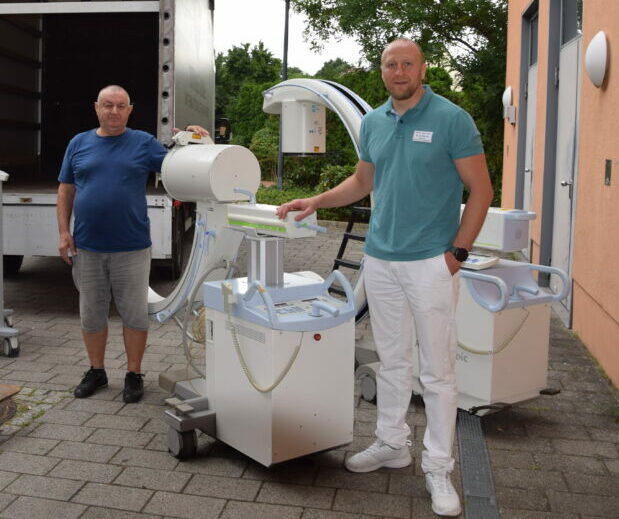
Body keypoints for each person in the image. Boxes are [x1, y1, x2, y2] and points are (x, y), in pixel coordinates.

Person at [277, 39, 493, 517]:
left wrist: (457, 253)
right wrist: (315, 201)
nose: (399, 71)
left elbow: (481, 189)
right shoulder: (373, 121)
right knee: (392, 361)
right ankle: (392, 443)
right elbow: (363, 182)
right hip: (381, 261)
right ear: (382, 71)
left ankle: (439, 467)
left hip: (430, 264)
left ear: (423, 68)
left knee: (437, 372)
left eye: (407, 63)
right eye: (390, 64)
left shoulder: (451, 119)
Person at [57, 85, 209, 404]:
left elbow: (179, 165)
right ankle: (96, 371)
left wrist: (195, 140)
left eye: (121, 106)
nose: (114, 111)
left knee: (135, 315)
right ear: (96, 107)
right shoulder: (78, 143)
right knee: (91, 315)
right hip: (87, 246)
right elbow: (66, 189)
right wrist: (63, 232)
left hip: (132, 246)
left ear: (130, 110)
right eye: (108, 105)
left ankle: (134, 374)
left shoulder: (143, 143)